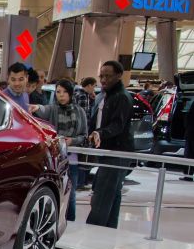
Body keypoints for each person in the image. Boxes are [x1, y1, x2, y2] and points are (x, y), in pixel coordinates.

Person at [30, 79, 89, 221]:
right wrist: (37, 108)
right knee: (55, 191)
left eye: (64, 92)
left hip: (72, 158)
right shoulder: (53, 109)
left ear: (70, 93)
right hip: (56, 158)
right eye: (58, 92)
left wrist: (72, 141)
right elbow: (44, 109)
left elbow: (84, 135)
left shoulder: (79, 111)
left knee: (71, 193)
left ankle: (70, 221)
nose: (61, 95)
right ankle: (53, 221)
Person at [86, 60, 133, 228]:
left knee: (104, 193)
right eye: (102, 76)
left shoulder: (122, 97)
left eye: (108, 76)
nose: (104, 80)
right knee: (113, 193)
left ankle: (94, 230)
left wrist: (100, 133)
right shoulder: (104, 95)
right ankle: (109, 230)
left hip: (117, 151)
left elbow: (117, 125)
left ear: (119, 76)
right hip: (107, 149)